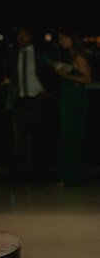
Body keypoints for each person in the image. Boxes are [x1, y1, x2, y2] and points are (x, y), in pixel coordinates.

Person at [1, 25, 58, 178]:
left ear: (30, 36)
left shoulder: (41, 54)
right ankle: (20, 171)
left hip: (37, 98)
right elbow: (8, 72)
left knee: (39, 136)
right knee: (19, 137)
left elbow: (52, 73)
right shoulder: (13, 54)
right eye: (19, 35)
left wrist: (50, 92)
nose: (20, 38)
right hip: (19, 98)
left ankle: (37, 170)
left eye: (24, 35)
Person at [48, 29, 92, 186]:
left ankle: (72, 176)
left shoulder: (79, 57)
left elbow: (87, 78)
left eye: (62, 38)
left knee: (74, 137)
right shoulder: (67, 57)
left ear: (70, 39)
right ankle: (66, 175)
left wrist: (66, 76)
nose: (61, 42)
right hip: (67, 98)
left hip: (76, 99)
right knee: (66, 136)